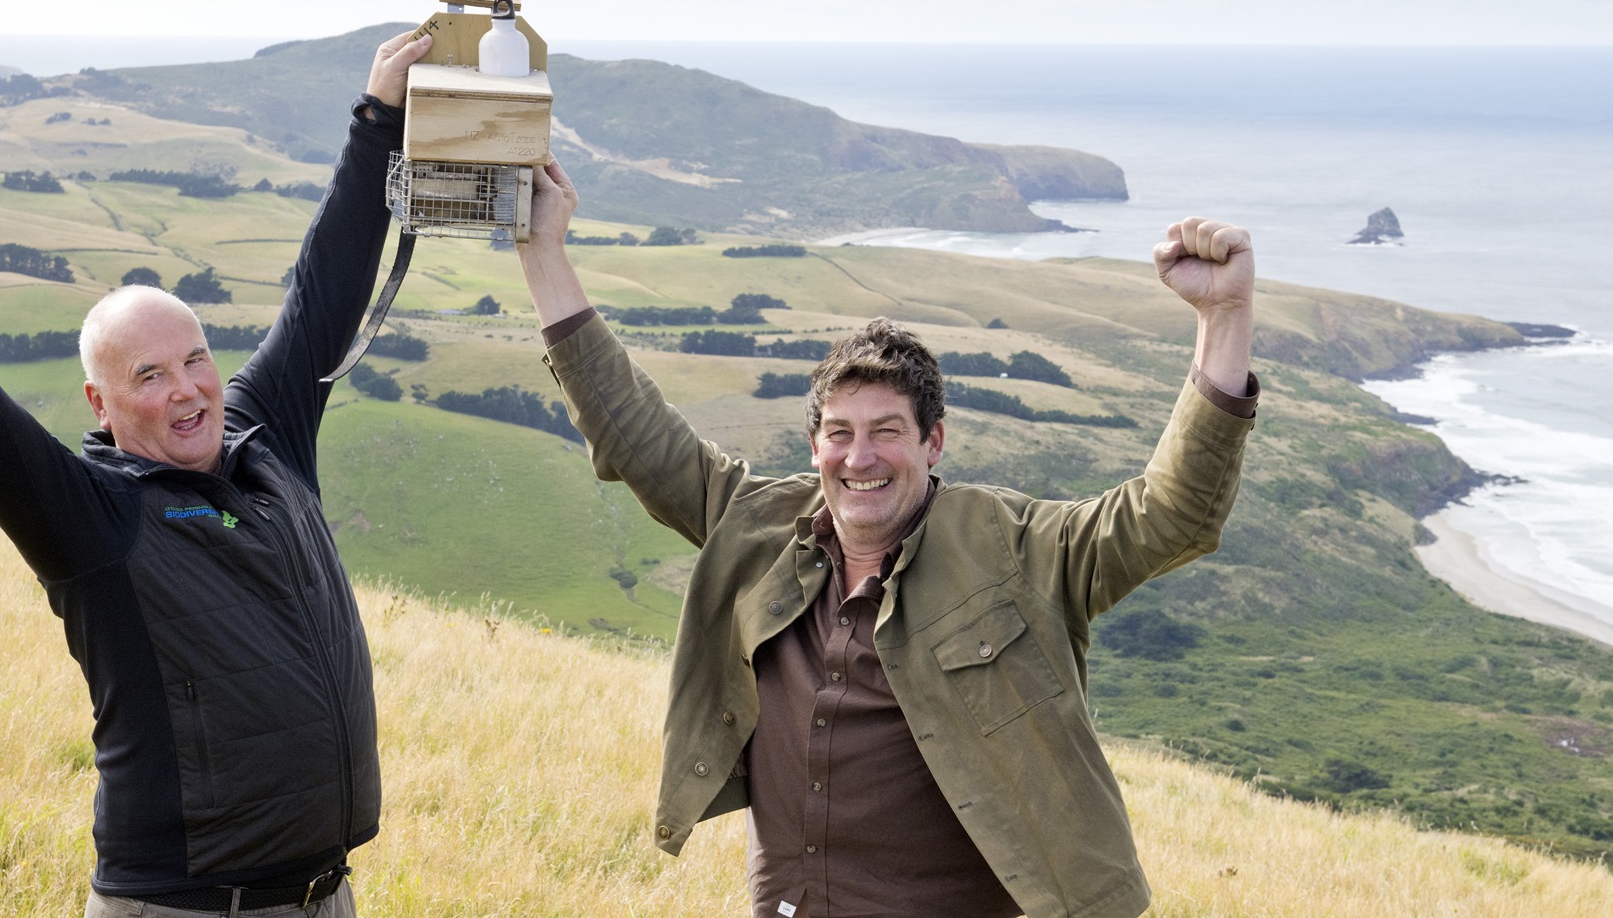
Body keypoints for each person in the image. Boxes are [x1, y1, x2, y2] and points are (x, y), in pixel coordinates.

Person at [515, 159, 1258, 918]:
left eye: (887, 432)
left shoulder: (1021, 549)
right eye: (839, 433)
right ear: (814, 446)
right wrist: (542, 249)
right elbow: (630, 430)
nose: (859, 458)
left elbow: (1170, 515)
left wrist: (1223, 318)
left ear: (933, 442)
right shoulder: (755, 526)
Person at [0, 31, 437, 918]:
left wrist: (378, 118)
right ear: (100, 403)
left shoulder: (267, 439)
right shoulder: (91, 517)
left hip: (322, 897)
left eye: (195, 360)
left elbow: (322, 295)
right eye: (149, 375)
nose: (186, 390)